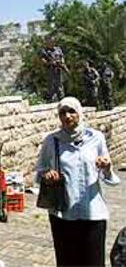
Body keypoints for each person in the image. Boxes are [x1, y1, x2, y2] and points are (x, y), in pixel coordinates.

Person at [36, 97, 120, 267]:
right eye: (62, 113)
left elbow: (107, 175)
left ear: (80, 113)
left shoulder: (96, 138)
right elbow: (39, 173)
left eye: (71, 111)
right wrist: (47, 175)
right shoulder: (51, 141)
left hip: (92, 213)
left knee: (93, 262)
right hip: (63, 214)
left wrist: (106, 167)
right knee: (67, 262)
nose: (67, 116)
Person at [40, 37, 68, 103]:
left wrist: (62, 63)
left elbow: (62, 57)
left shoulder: (58, 49)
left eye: (52, 42)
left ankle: (62, 100)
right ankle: (51, 100)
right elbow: (42, 60)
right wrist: (51, 62)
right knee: (51, 86)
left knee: (60, 86)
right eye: (49, 42)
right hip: (50, 70)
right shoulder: (44, 50)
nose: (51, 43)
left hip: (59, 69)